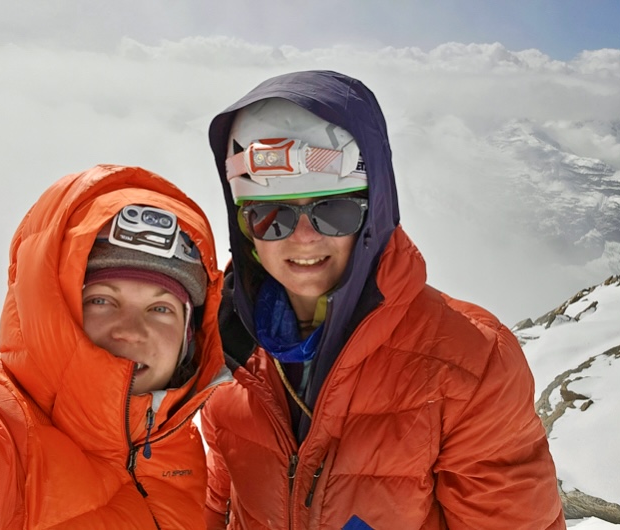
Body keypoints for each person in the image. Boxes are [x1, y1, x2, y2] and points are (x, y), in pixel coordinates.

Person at [201, 71, 565, 529]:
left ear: (375, 213)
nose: (304, 239)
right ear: (244, 230)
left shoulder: (469, 361)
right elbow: (217, 503)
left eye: (334, 210)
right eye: (270, 216)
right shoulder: (224, 344)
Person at [0, 164, 230, 529]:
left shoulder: (175, 445)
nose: (132, 331)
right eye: (102, 300)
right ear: (58, 307)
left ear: (188, 337)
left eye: (160, 309)